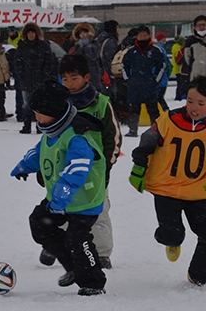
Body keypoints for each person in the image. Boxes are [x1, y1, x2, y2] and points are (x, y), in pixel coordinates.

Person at [11, 80, 107, 295]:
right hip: (60, 199)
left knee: (78, 239)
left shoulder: (77, 137)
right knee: (39, 224)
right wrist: (23, 167)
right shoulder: (52, 132)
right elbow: (38, 153)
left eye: (39, 113)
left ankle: (93, 282)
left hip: (83, 201)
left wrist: (61, 198)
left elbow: (76, 172)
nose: (36, 117)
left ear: (54, 112)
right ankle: (74, 266)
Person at [40, 54, 121, 270]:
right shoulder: (59, 104)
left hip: (94, 171)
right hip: (63, 168)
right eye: (64, 79)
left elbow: (112, 138)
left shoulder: (101, 104)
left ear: (86, 77)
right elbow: (49, 138)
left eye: (74, 78)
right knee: (60, 205)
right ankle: (55, 246)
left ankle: (102, 252)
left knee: (99, 211)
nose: (69, 84)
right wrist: (44, 165)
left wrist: (106, 166)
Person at [129, 76, 206, 286]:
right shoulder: (170, 119)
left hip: (198, 191)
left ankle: (198, 274)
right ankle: (169, 239)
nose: (194, 107)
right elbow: (148, 139)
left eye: (201, 103)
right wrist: (141, 157)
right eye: (190, 101)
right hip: (166, 189)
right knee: (173, 235)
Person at [121, 25, 167, 137]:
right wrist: (128, 80)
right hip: (134, 85)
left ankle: (156, 130)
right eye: (140, 35)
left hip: (150, 85)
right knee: (133, 109)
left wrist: (155, 80)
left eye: (144, 35)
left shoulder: (156, 50)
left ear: (149, 35)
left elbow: (162, 66)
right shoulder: (131, 51)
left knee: (153, 109)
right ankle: (133, 130)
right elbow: (124, 65)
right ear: (137, 37)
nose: (142, 37)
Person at [14, 22, 58, 134]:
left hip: (40, 81)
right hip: (26, 81)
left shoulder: (43, 46)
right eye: (29, 33)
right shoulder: (22, 46)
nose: (31, 35)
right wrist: (22, 75)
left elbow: (49, 62)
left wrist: (44, 75)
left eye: (32, 33)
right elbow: (17, 62)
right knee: (26, 104)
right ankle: (27, 125)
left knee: (40, 104)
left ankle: (40, 126)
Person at [70, 23, 103, 92]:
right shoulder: (77, 47)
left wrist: (86, 48)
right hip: (81, 75)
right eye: (80, 33)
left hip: (93, 75)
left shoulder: (94, 44)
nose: (83, 34)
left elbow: (93, 57)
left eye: (85, 32)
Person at [97, 20, 120, 98]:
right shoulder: (110, 42)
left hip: (100, 74)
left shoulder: (99, 40)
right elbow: (110, 61)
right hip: (108, 76)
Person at [182, 15, 206, 81]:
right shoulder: (190, 41)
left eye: (204, 25)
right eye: (199, 25)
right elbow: (187, 59)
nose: (202, 27)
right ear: (195, 27)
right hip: (196, 77)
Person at [154, 32, 172, 111]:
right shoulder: (161, 49)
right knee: (159, 97)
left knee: (158, 97)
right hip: (162, 78)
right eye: (163, 38)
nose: (165, 39)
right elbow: (166, 64)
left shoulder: (160, 48)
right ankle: (165, 110)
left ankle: (165, 110)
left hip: (162, 78)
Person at [172, 35, 187, 101]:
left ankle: (179, 96)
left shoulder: (175, 47)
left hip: (177, 68)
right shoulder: (178, 48)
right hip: (179, 69)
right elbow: (179, 59)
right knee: (181, 84)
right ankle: (179, 97)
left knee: (180, 84)